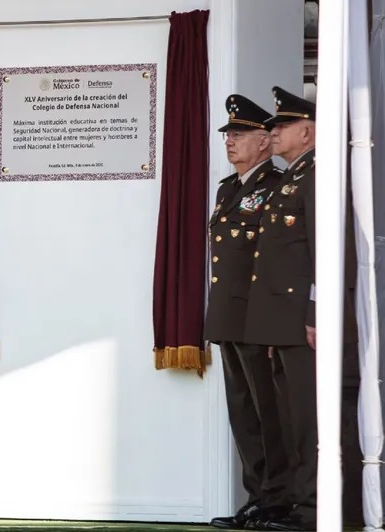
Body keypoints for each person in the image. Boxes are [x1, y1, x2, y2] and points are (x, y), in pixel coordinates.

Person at [204, 95, 289, 529]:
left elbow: (274, 261)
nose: (230, 143)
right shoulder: (228, 189)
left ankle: (278, 500)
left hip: (258, 320)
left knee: (267, 413)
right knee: (243, 414)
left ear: (264, 142)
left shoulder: (274, 188)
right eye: (228, 136)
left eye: (240, 135)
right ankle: (257, 497)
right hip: (229, 318)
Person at [244, 86, 318, 532]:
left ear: (307, 131)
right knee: (290, 417)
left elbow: (322, 249)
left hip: (303, 322)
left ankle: (313, 510)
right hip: (282, 324)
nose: (273, 132)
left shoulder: (314, 177)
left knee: (308, 418)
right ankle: (294, 504)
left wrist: (315, 312)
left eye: (282, 125)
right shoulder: (290, 179)